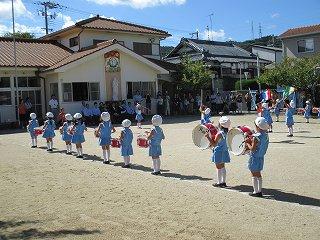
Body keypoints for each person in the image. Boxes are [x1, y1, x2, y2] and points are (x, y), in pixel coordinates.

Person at [245, 117, 269, 197]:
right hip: (261, 157)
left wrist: (247, 142)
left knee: (253, 173)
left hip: (254, 157)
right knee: (258, 173)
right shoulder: (265, 135)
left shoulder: (256, 137)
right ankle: (259, 190)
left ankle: (256, 191)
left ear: (258, 126)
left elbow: (252, 148)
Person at [206, 116, 231, 188]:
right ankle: (223, 182)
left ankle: (219, 182)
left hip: (218, 152)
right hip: (225, 151)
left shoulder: (219, 134)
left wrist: (208, 137)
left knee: (218, 167)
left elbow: (214, 144)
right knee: (223, 166)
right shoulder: (228, 132)